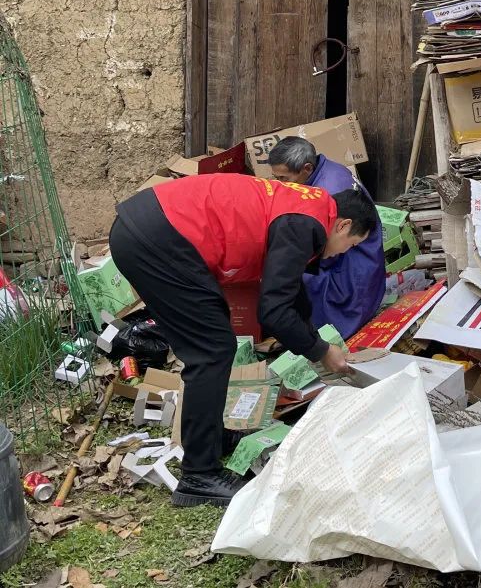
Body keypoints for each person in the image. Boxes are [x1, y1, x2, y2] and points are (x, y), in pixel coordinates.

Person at [109, 173, 377, 507]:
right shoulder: (304, 224)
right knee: (212, 350)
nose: (343, 253)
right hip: (157, 238)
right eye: (351, 244)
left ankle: (214, 438)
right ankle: (199, 476)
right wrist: (321, 352)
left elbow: (288, 292)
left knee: (214, 341)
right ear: (343, 225)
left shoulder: (308, 210)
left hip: (150, 229)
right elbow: (273, 311)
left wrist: (313, 338)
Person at [267, 137, 386, 340]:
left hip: (352, 263)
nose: (279, 184)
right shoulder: (328, 169)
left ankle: (310, 338)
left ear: (307, 168)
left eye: (284, 178)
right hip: (347, 249)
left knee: (288, 275)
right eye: (275, 178)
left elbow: (326, 249)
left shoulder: (328, 191)